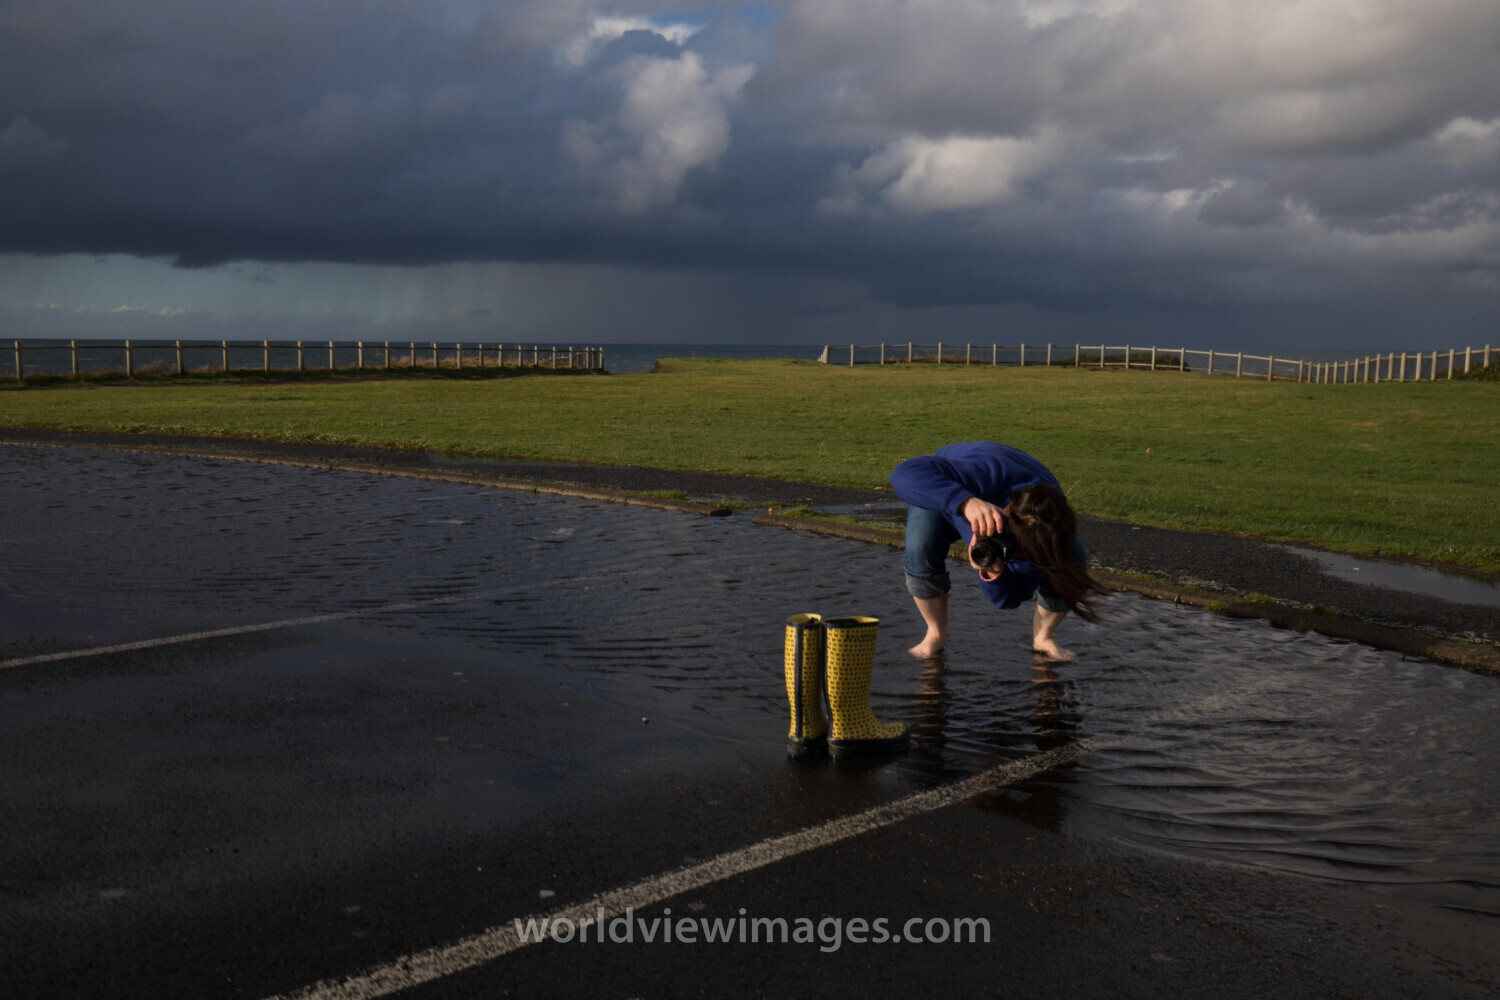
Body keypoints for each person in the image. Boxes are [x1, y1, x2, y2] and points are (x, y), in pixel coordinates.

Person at [889, 441, 1107, 660]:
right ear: (1007, 510)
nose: (1017, 555)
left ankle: (1044, 637)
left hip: (1025, 509)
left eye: (1026, 554)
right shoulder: (980, 475)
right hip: (953, 488)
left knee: (1072, 559)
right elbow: (903, 474)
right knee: (921, 546)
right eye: (1016, 545)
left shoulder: (1044, 535)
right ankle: (934, 634)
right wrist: (966, 501)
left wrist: (995, 574)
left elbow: (1009, 599)